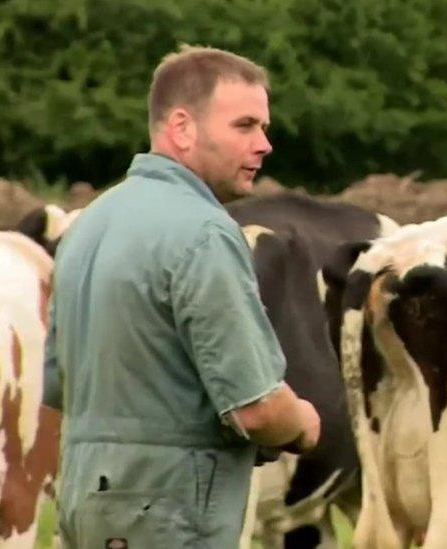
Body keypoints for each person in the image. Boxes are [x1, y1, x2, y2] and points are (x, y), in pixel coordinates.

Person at [43, 45, 321, 548]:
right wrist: (302, 421)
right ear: (181, 128)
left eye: (264, 128)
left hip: (84, 502)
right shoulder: (203, 233)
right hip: (169, 514)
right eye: (245, 126)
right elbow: (255, 408)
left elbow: (60, 387)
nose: (265, 145)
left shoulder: (88, 227)